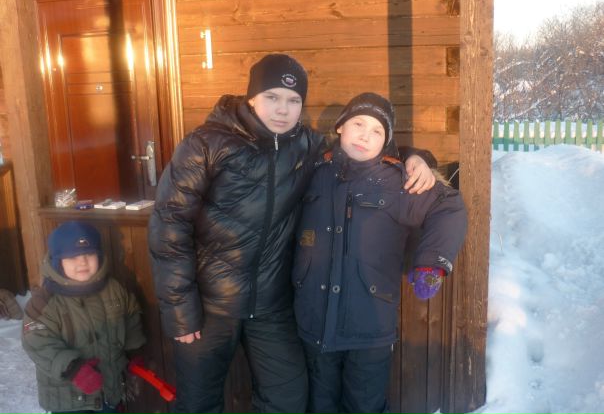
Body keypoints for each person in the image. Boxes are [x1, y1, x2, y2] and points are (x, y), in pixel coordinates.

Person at [147, 54, 436, 414]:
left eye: (293, 100)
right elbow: (169, 225)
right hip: (209, 305)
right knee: (197, 405)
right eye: (272, 97)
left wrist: (416, 156)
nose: (283, 109)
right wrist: (179, 307)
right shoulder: (206, 144)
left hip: (271, 305)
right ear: (252, 97)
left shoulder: (308, 146)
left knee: (287, 401)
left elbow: (362, 150)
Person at [292, 92, 468, 413]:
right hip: (313, 322)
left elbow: (449, 206)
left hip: (369, 330)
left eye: (377, 131)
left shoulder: (399, 182)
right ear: (341, 126)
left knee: (365, 407)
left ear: (385, 141)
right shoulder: (314, 172)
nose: (365, 136)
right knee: (319, 405)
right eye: (358, 124)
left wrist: (432, 264)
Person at [22, 221, 146, 414]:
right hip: (68, 398)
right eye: (72, 257)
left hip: (109, 389)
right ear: (58, 262)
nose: (82, 262)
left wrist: (134, 355)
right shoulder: (44, 301)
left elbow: (131, 319)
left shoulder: (114, 289)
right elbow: (37, 343)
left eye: (89, 254)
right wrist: (72, 368)